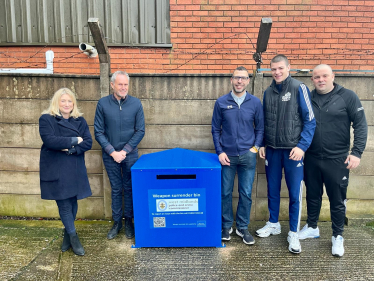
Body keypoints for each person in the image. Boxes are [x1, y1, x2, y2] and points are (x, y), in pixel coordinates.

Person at [298, 64, 368, 257]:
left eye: (324, 76)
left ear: (332, 76)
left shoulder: (348, 96)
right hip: (311, 157)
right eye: (317, 77)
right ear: (312, 79)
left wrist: (356, 152)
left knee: (337, 200)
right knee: (312, 195)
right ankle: (312, 227)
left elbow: (361, 125)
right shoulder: (308, 98)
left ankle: (337, 236)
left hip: (337, 159)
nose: (321, 80)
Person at [256, 55, 316, 254]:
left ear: (289, 68)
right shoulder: (268, 92)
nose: (277, 72)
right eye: (273, 69)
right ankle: (274, 223)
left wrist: (302, 147)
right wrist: (263, 143)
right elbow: (264, 121)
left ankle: (293, 232)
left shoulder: (300, 88)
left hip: (293, 152)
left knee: (294, 194)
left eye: (280, 68)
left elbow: (310, 121)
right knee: (272, 189)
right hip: (272, 150)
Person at [212, 66, 264, 245]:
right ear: (231, 80)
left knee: (246, 193)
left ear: (248, 80)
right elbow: (215, 129)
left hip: (248, 156)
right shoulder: (221, 102)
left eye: (243, 78)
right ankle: (226, 226)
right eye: (236, 78)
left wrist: (255, 148)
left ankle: (242, 227)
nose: (239, 81)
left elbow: (260, 128)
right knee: (225, 193)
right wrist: (219, 152)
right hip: (227, 157)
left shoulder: (255, 103)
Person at [39, 88, 92, 256]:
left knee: (73, 202)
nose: (67, 104)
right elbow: (50, 141)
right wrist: (75, 140)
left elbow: (89, 142)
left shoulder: (80, 120)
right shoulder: (46, 119)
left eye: (70, 101)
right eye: (63, 101)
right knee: (63, 203)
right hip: (55, 168)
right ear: (57, 103)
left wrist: (69, 149)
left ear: (73, 103)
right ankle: (74, 238)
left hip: (74, 165)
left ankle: (67, 235)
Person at [94, 70, 145, 240]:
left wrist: (124, 151)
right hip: (110, 155)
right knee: (116, 189)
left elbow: (140, 131)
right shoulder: (102, 104)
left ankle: (129, 222)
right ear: (112, 85)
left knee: (129, 188)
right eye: (120, 84)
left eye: (126, 84)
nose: (123, 87)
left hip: (129, 154)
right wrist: (112, 152)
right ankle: (117, 222)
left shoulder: (136, 104)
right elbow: (98, 132)